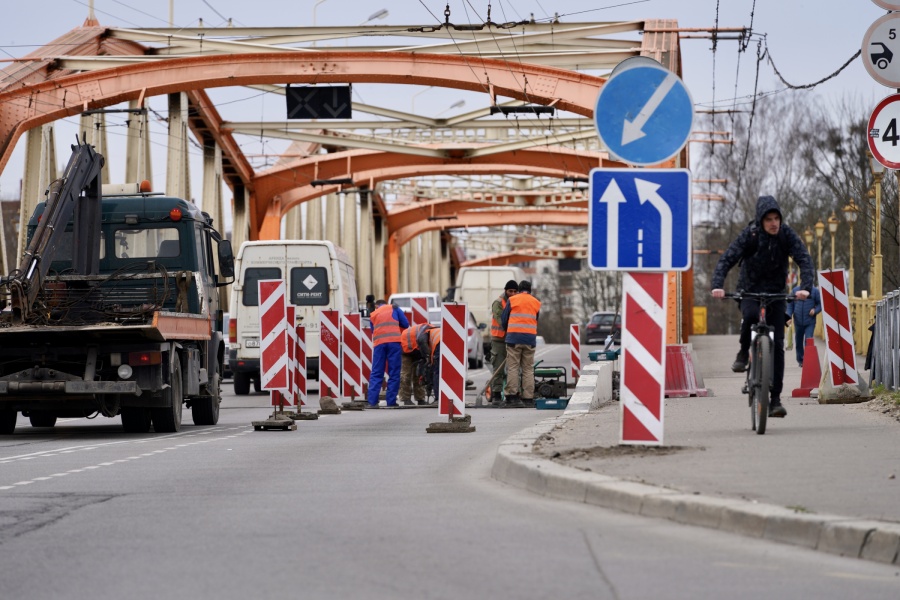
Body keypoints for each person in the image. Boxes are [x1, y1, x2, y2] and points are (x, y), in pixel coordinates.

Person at [711, 195, 814, 418]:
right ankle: (742, 353)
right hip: (750, 290)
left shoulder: (786, 235)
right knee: (749, 315)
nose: (773, 223)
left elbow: (804, 259)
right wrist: (717, 285)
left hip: (777, 293)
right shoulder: (751, 235)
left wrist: (805, 286)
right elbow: (727, 258)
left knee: (777, 345)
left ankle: (775, 399)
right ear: (760, 220)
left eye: (776, 218)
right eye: (769, 219)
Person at [501, 279, 541, 408]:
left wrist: (509, 332)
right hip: (530, 339)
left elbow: (504, 318)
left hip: (513, 339)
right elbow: (536, 319)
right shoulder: (536, 302)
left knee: (513, 367)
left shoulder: (513, 300)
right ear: (530, 290)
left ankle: (512, 397)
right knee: (528, 369)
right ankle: (528, 398)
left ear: (519, 289)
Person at [366, 298, 409, 407]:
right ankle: (391, 402)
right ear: (386, 304)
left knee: (376, 372)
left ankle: (372, 402)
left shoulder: (373, 314)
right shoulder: (394, 308)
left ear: (377, 306)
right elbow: (405, 324)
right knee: (394, 372)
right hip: (394, 343)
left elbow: (373, 331)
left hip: (379, 344)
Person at [488, 280, 518, 407]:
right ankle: (496, 394)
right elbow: (500, 320)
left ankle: (512, 394)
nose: (512, 293)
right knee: (498, 367)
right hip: (499, 340)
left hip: (512, 339)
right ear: (506, 290)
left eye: (515, 291)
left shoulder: (517, 302)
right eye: (510, 291)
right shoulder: (498, 303)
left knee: (513, 368)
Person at [786, 283, 822, 368]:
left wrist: (815, 310)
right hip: (798, 321)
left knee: (808, 340)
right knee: (798, 341)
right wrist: (788, 316)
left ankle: (808, 360)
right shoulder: (795, 291)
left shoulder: (815, 291)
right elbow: (790, 305)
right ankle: (801, 360)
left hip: (810, 321)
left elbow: (820, 304)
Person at [399, 322, 432, 405]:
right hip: (407, 350)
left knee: (418, 375)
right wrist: (428, 356)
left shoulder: (427, 329)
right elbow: (423, 342)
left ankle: (419, 398)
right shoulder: (428, 331)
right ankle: (407, 399)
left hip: (415, 349)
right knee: (407, 374)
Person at [416, 323, 442, 399]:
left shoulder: (424, 333)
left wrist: (428, 358)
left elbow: (421, 341)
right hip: (449, 342)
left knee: (436, 372)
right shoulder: (435, 330)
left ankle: (437, 398)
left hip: (439, 343)